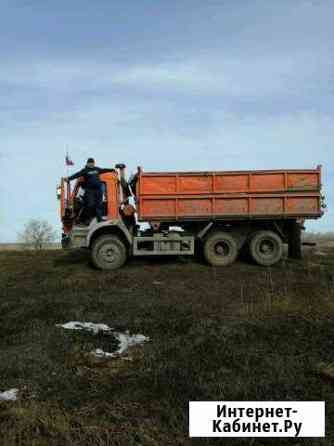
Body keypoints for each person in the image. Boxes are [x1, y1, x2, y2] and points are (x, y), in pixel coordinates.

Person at [65, 158, 115, 223]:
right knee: (90, 204)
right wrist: (69, 178)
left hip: (98, 190)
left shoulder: (97, 169)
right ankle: (88, 219)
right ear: (87, 163)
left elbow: (104, 170)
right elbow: (77, 174)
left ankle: (99, 219)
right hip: (90, 190)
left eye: (93, 163)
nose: (92, 164)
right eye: (90, 163)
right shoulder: (85, 170)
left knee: (99, 205)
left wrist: (112, 170)